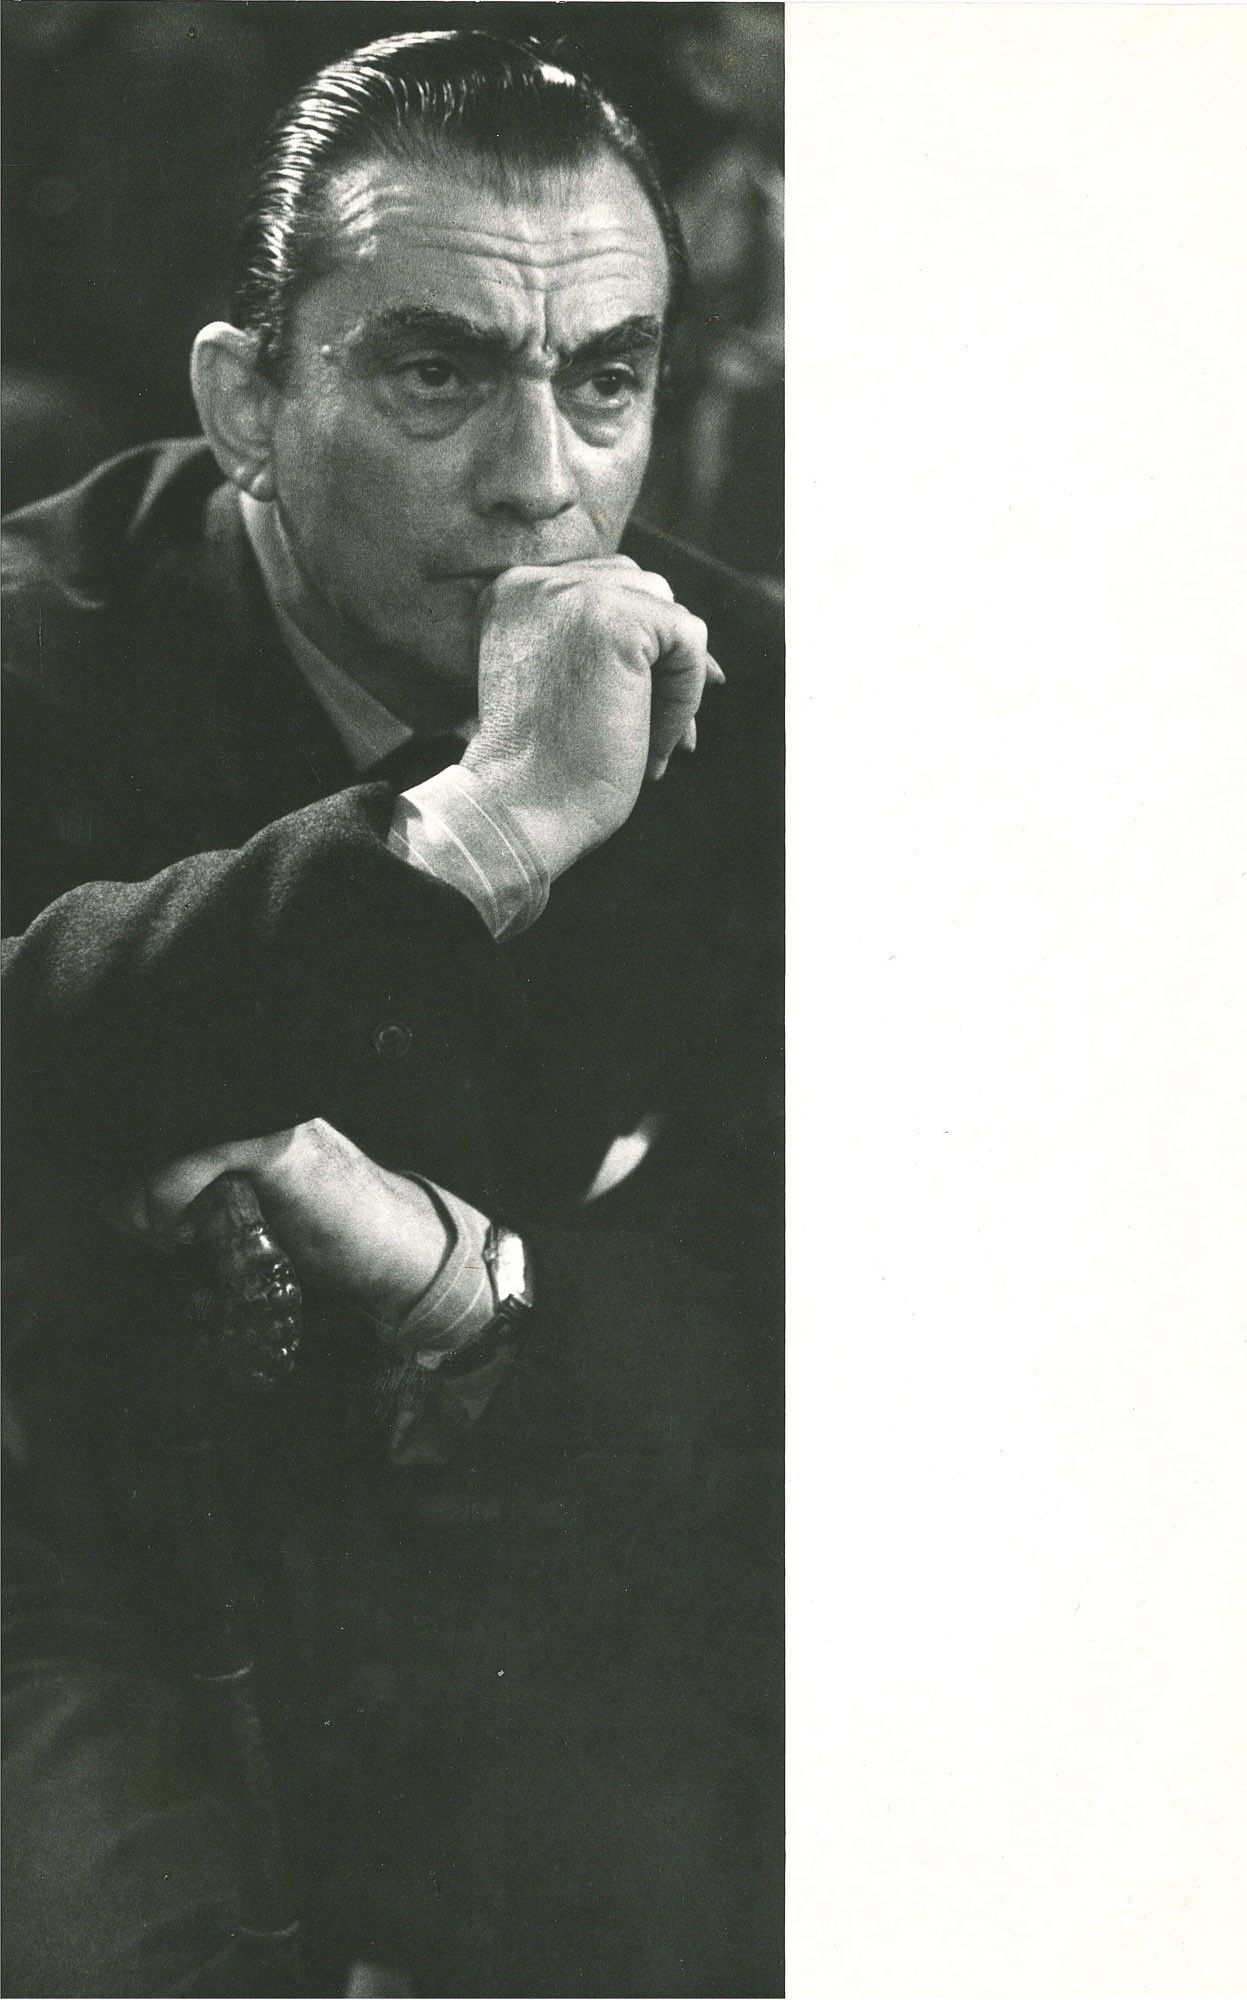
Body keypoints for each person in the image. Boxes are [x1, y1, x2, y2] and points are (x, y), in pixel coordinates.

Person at [1, 30, 782, 1998]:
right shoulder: (34, 647)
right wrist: (477, 828)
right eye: (438, 374)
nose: (541, 482)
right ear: (247, 406)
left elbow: (822, 1326)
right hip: (73, 1575)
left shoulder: (782, 706)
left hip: (552, 1549)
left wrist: (446, 1271)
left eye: (603, 379)